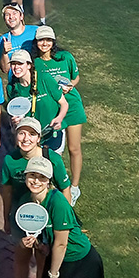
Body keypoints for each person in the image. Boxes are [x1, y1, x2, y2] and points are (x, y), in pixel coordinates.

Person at [1, 117, 71, 278]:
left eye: (31, 134)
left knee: (43, 259)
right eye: (21, 133)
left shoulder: (52, 159)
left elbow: (65, 190)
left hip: (46, 221)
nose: (26, 138)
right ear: (15, 135)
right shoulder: (10, 160)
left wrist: (61, 220)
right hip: (20, 218)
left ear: (39, 138)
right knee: (21, 256)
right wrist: (6, 217)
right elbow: (6, 191)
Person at [32, 26, 86, 206]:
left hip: (72, 107)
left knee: (74, 148)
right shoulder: (35, 63)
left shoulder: (65, 57)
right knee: (54, 151)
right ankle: (54, 185)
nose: (44, 43)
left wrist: (70, 85)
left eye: (48, 40)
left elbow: (75, 77)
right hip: (54, 109)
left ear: (53, 42)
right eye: (41, 40)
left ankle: (75, 187)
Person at [7, 49, 68, 153]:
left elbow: (64, 103)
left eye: (20, 64)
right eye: (13, 64)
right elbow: (12, 114)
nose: (16, 67)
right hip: (29, 138)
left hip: (50, 133)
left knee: (51, 165)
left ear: (29, 65)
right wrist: (14, 124)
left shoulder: (44, 79)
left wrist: (59, 118)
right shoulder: (12, 87)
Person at [0, 3, 38, 76]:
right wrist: (5, 53)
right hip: (16, 83)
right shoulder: (3, 40)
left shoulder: (36, 31)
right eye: (7, 14)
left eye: (14, 13)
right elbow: (5, 70)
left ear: (21, 16)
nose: (11, 17)